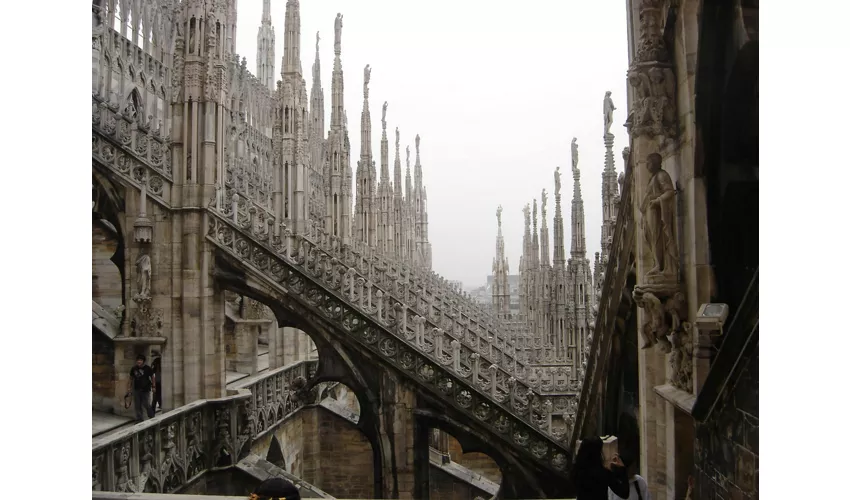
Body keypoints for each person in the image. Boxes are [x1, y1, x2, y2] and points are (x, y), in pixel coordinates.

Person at [127, 354, 155, 422]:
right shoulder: (134, 368)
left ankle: (151, 415)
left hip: (145, 389)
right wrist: (129, 387)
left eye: (140, 360)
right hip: (137, 389)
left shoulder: (148, 368)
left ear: (143, 361)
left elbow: (153, 377)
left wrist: (153, 386)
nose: (139, 361)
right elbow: (131, 378)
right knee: (137, 405)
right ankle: (139, 419)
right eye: (138, 360)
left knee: (146, 404)